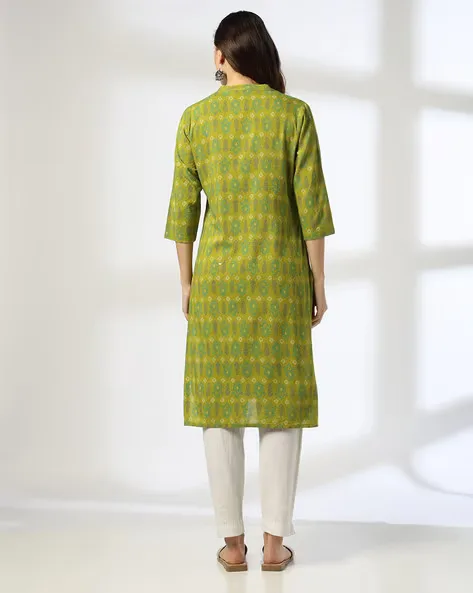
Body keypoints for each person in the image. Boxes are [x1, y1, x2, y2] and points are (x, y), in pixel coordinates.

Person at [164, 11, 335, 572]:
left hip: (217, 283)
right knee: (281, 407)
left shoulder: (196, 120)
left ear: (220, 56)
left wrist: (187, 281)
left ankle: (232, 545)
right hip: (280, 279)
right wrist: (318, 282)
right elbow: (312, 211)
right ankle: (274, 545)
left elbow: (183, 214)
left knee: (220, 409)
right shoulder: (293, 115)